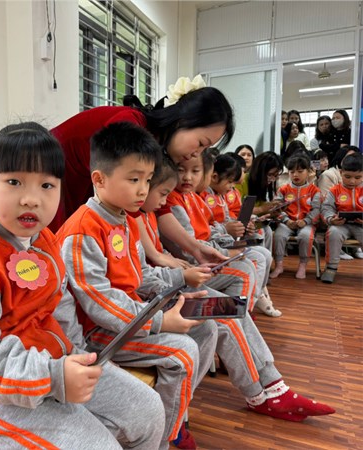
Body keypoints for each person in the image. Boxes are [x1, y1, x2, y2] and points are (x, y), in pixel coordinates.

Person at [0, 122, 167, 449]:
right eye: (14, 182)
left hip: (51, 365)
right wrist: (53, 377)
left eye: (47, 185)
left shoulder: (43, 240)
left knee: (148, 410)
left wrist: (77, 358)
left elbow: (60, 307)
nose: (31, 199)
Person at [135, 148, 335, 425]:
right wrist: (182, 273)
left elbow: (162, 259)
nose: (157, 197)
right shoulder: (130, 216)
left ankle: (272, 385)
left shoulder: (141, 213)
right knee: (229, 312)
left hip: (169, 288)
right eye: (141, 183)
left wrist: (182, 266)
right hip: (159, 299)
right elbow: (144, 276)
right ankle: (261, 393)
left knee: (233, 307)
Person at [56, 122, 219, 450]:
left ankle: (172, 419)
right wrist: (160, 321)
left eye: (147, 180)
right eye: (134, 180)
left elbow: (140, 275)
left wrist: (178, 291)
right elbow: (100, 302)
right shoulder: (83, 230)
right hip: (96, 333)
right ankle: (163, 438)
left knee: (206, 327)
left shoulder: (125, 220)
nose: (143, 190)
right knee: (183, 352)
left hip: (129, 319)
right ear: (99, 179)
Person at [49, 75, 234, 268]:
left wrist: (195, 248)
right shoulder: (132, 127)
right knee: (58, 258)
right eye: (201, 143)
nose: (197, 153)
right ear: (182, 121)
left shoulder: (160, 147)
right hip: (55, 174)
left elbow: (159, 209)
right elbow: (129, 202)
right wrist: (155, 255)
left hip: (79, 184)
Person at [169, 150, 279, 318]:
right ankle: (243, 313)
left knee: (257, 256)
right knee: (247, 268)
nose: (188, 178)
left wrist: (233, 241)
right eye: (181, 170)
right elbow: (190, 246)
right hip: (195, 263)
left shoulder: (195, 197)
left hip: (208, 251)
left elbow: (210, 229)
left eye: (195, 171)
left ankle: (247, 308)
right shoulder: (178, 199)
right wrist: (227, 250)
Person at [269, 154, 321, 279]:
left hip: (306, 224)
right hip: (287, 223)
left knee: (305, 236)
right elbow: (277, 209)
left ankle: (302, 266)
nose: (295, 175)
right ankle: (279, 266)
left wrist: (306, 221)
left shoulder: (314, 191)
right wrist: (286, 221)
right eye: (292, 172)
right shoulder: (283, 189)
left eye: (300, 171)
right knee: (278, 235)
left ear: (308, 171)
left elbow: (317, 210)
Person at [320, 152, 363, 283]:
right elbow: (326, 208)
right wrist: (331, 219)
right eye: (347, 176)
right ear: (340, 172)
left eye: (358, 177)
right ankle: (331, 267)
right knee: (333, 233)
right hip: (340, 225)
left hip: (361, 225)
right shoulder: (334, 190)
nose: (352, 181)